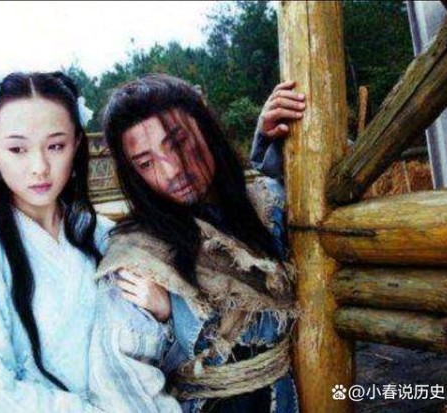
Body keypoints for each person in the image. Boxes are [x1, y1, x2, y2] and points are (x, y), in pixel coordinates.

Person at [0, 71, 170, 413]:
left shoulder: (104, 235)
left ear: (76, 145)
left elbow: (148, 352)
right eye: (17, 149)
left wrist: (162, 313)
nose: (40, 167)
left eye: (56, 146)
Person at [89, 74, 305, 413]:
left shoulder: (261, 209)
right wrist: (172, 313)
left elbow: (313, 199)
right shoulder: (139, 256)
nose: (172, 170)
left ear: (205, 129)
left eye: (178, 143)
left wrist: (275, 142)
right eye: (145, 163)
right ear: (134, 175)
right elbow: (125, 384)